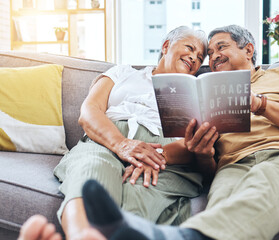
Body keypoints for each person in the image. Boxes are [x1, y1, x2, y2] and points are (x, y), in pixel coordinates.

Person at [56, 24, 279, 240]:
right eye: (205, 52)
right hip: (228, 165)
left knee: (265, 180)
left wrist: (258, 103)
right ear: (166, 45)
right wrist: (128, 146)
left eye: (217, 50)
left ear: (249, 50)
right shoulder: (133, 75)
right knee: (95, 167)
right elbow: (90, 111)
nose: (209, 58)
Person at [52, 26, 218, 240]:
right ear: (166, 46)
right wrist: (122, 144)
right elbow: (89, 112)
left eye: (200, 57)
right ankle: (81, 235)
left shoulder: (196, 93)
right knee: (91, 170)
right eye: (190, 48)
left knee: (139, 192)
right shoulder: (123, 73)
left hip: (165, 157)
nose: (194, 58)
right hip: (106, 141)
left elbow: (196, 144)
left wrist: (158, 156)